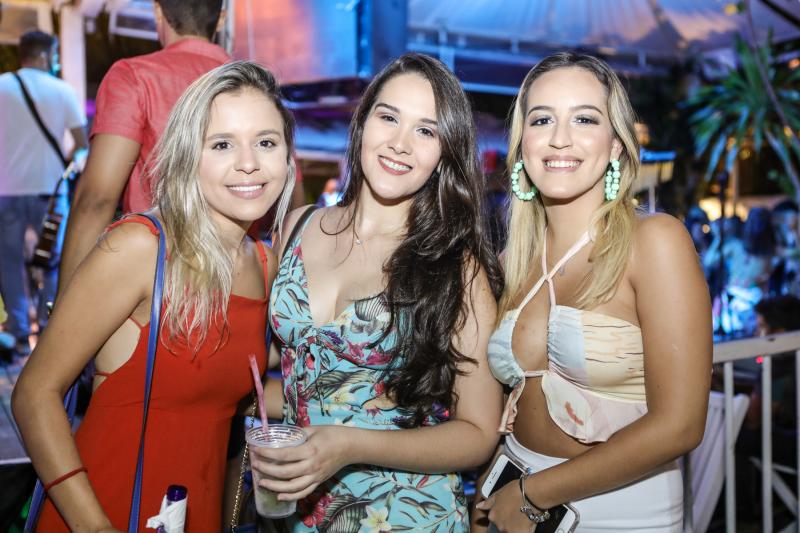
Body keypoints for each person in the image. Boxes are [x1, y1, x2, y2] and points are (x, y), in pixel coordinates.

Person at [12, 61, 296, 531]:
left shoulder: (266, 265)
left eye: (266, 142)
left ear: (287, 156)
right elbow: (33, 394)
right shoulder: (141, 248)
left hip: (196, 511)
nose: (249, 162)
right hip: (104, 509)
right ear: (188, 156)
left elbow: (228, 391)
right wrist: (95, 527)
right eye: (222, 144)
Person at [259, 52, 504, 531]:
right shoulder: (297, 226)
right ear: (362, 123)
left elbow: (478, 433)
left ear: (444, 153)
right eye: (388, 117)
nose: (400, 143)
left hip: (406, 513)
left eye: (426, 131)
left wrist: (351, 444)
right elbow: (286, 373)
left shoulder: (456, 268)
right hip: (298, 510)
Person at [474, 53, 712, 532]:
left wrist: (533, 494)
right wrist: (491, 496)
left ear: (616, 145)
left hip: (620, 511)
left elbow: (681, 425)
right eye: (542, 120)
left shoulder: (655, 241)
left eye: (584, 119)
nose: (560, 138)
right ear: (522, 145)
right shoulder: (510, 263)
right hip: (510, 494)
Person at [57, 0, 228, 296]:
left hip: (154, 285)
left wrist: (64, 303)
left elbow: (96, 199)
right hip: (234, 281)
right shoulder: (256, 84)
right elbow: (292, 204)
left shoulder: (134, 76)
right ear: (221, 19)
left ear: (158, 12)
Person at [0, 30, 88, 358]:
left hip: (7, 190)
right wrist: (69, 164)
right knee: (51, 261)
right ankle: (49, 329)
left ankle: (18, 330)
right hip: (50, 192)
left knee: (9, 262)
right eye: (54, 56)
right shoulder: (62, 91)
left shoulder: (2, 86)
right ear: (44, 55)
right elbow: (81, 144)